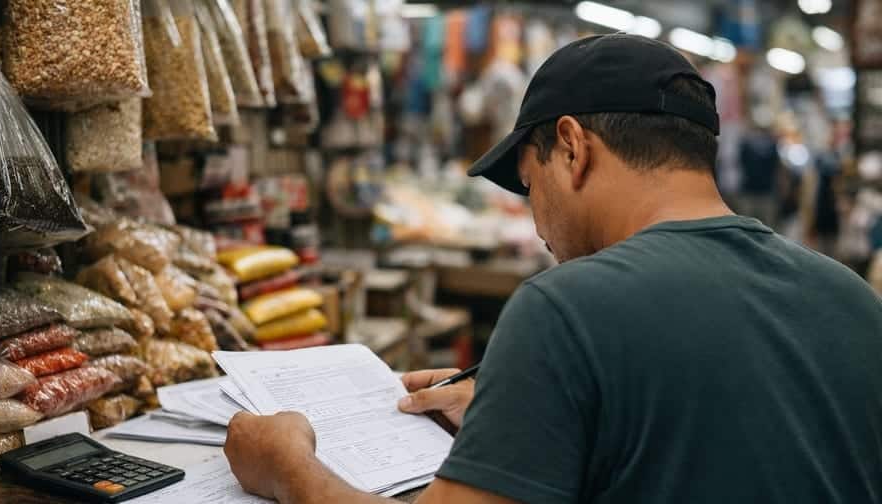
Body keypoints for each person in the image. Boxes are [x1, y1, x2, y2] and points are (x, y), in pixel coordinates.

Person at [224, 34, 882, 504]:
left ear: (571, 148)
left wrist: (286, 468)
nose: (536, 221)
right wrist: (539, 417)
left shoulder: (567, 307)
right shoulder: (850, 298)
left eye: (528, 184)